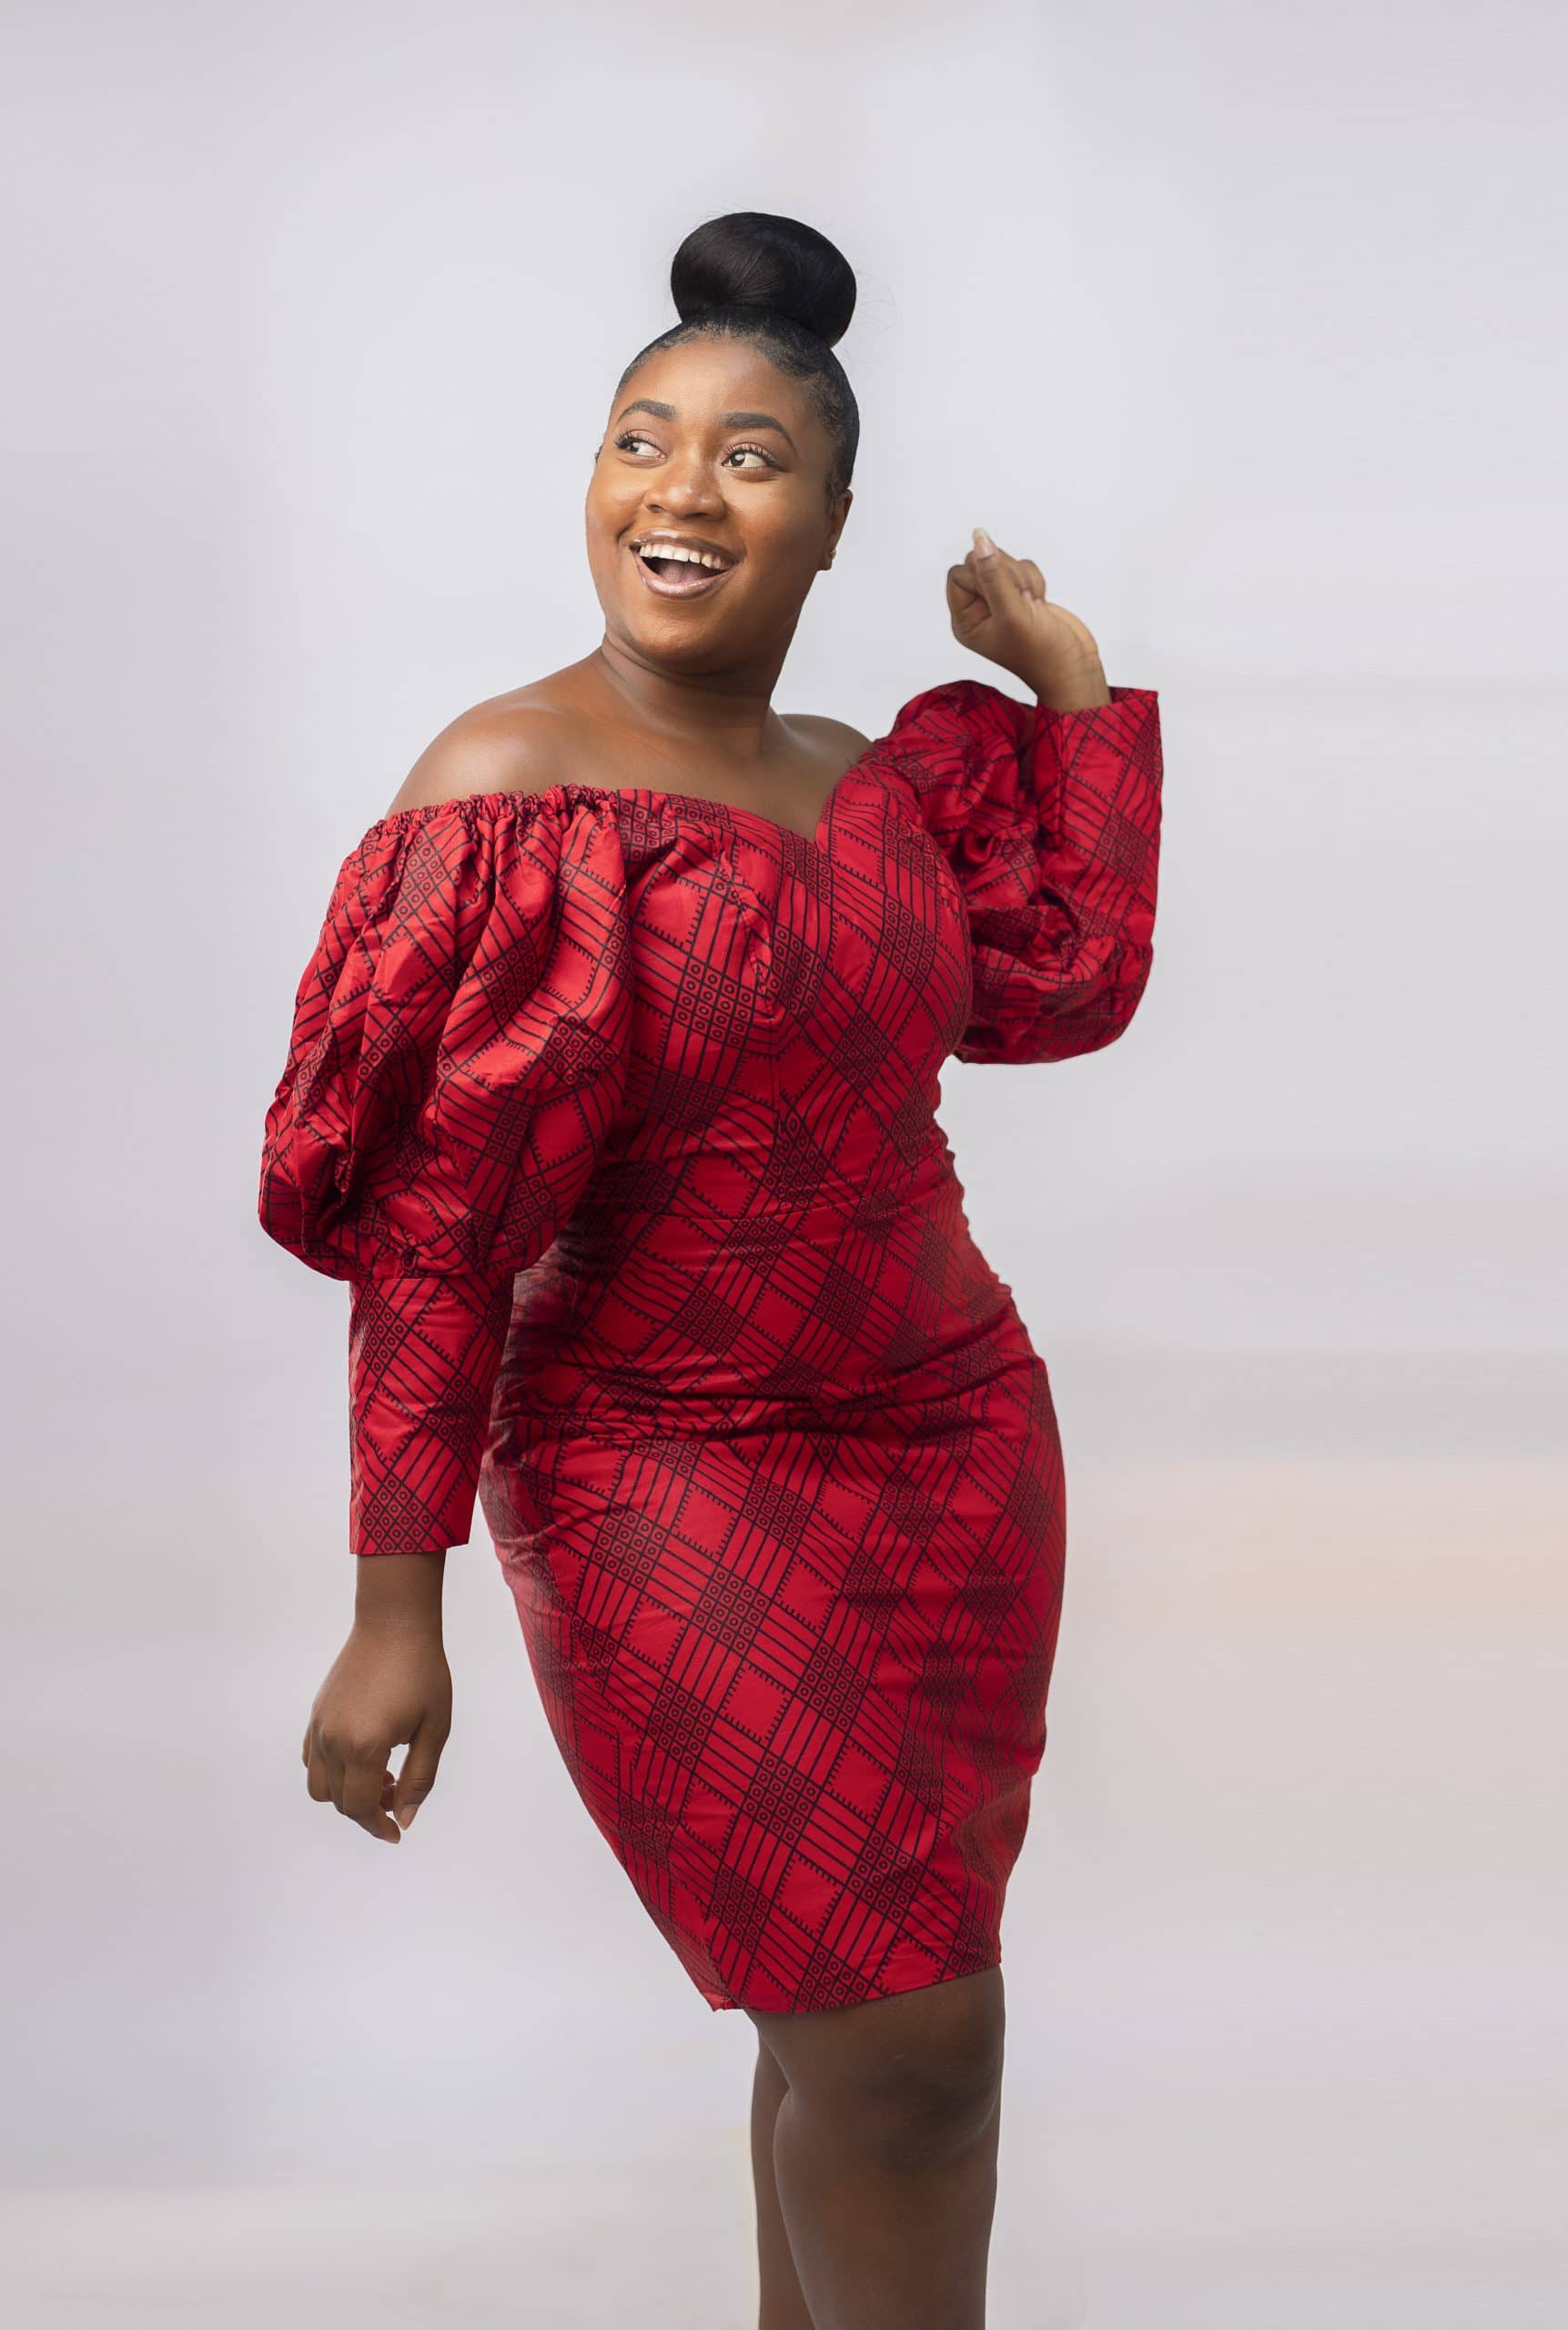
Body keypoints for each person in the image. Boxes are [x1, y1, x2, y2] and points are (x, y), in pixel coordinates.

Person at [258, 208, 1163, 2329]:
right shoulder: (505, 791)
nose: (680, 489)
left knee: (849, 2027)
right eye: (640, 439)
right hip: (659, 1470)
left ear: (832, 524)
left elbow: (1053, 985)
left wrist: (1068, 690)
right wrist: (394, 1604)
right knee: (910, 2049)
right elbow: (438, 1231)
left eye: (750, 457)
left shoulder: (864, 782)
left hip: (954, 1457)